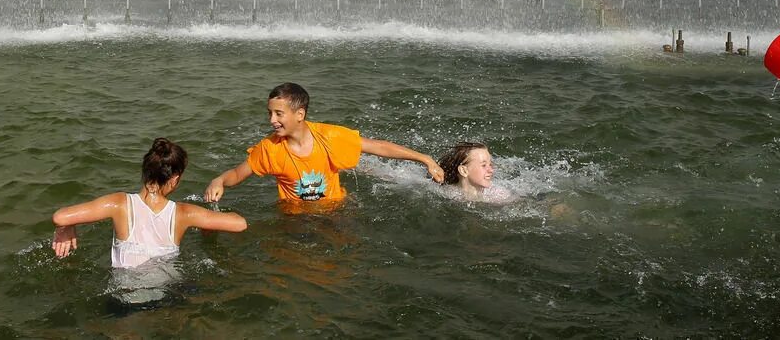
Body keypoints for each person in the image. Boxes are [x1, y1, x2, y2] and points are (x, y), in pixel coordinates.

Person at [202, 82, 445, 207]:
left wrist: (425, 158)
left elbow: (379, 147)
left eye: (278, 114)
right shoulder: (269, 148)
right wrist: (219, 180)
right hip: (294, 219)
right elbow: (237, 173)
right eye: (269, 114)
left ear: (299, 114)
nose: (272, 121)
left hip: (336, 212)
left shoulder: (329, 137)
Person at [52, 137, 247, 269]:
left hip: (125, 301)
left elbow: (60, 216)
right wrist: (209, 221)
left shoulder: (119, 204)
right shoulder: (184, 213)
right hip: (169, 297)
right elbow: (239, 223)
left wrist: (67, 226)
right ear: (175, 179)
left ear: (145, 170)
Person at [438, 141, 515, 203]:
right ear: (464, 171)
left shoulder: (499, 195)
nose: (491, 170)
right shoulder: (447, 194)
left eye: (490, 164)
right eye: (484, 165)